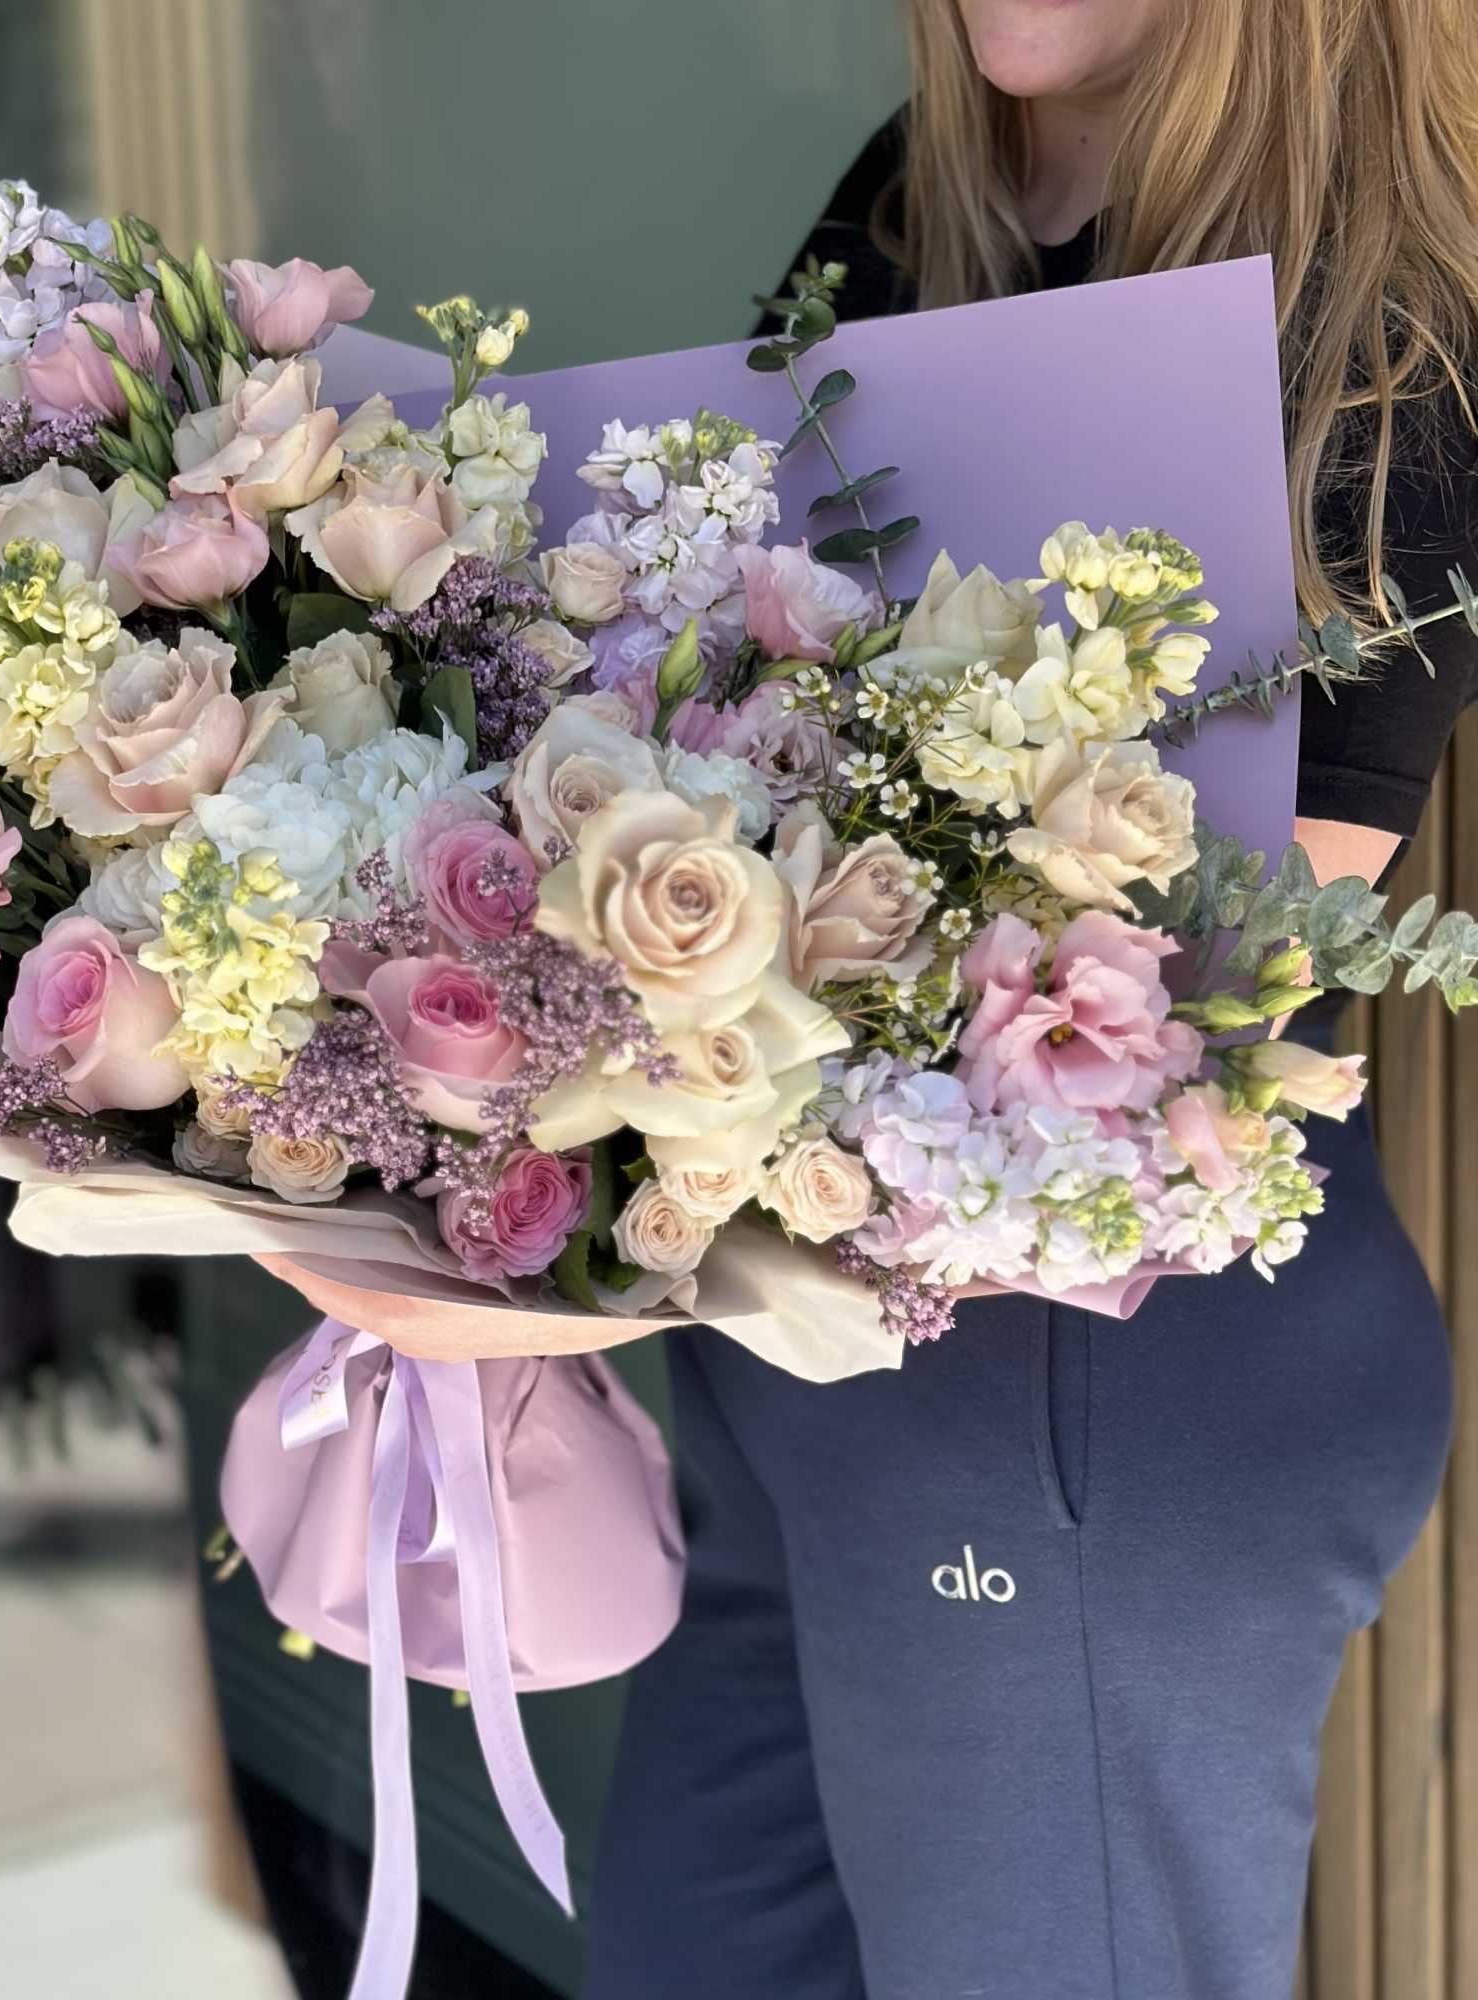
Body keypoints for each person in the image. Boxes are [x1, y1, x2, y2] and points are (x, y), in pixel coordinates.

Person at [583, 3, 1472, 1995]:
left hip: (1095, 1403)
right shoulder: (917, 200)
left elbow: (1195, 987)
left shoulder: (1388, 319)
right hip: (797, 1341)